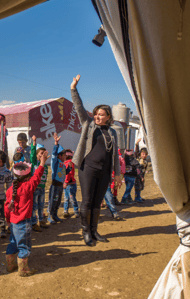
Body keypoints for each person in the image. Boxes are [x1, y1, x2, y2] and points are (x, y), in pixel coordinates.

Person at [70, 74, 121, 246]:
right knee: (87, 200)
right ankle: (85, 233)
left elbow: (114, 154)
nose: (98, 117)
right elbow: (79, 107)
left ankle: (94, 230)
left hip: (105, 171)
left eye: (102, 114)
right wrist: (73, 89)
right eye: (96, 114)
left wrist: (118, 174)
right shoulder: (88, 124)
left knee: (98, 202)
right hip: (88, 168)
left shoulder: (113, 132)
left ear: (108, 116)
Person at [4, 151, 49, 277]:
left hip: (13, 223)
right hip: (24, 223)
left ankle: (10, 265)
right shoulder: (28, 187)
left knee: (13, 243)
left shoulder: (10, 190)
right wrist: (42, 163)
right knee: (24, 246)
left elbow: (6, 208)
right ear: (28, 176)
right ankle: (23, 269)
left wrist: (8, 220)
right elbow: (37, 177)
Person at [48, 133, 73, 224]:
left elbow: (64, 173)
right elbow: (54, 154)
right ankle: (49, 216)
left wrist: (69, 168)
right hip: (55, 185)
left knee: (57, 201)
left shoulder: (62, 164)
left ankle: (55, 215)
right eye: (64, 155)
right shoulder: (55, 162)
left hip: (60, 186)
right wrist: (56, 144)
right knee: (52, 201)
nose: (66, 157)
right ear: (59, 156)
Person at [30, 135, 49, 231]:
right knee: (34, 206)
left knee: (41, 205)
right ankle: (33, 223)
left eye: (44, 153)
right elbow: (32, 154)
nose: (43, 155)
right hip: (35, 188)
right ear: (37, 154)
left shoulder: (44, 165)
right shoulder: (34, 163)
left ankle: (41, 220)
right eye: (41, 153)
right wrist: (34, 142)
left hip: (42, 188)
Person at [63, 149, 80, 218]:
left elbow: (68, 174)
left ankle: (74, 211)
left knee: (70, 198)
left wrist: (66, 182)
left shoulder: (68, 163)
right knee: (68, 198)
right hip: (69, 184)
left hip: (69, 184)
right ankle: (66, 211)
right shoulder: (69, 162)